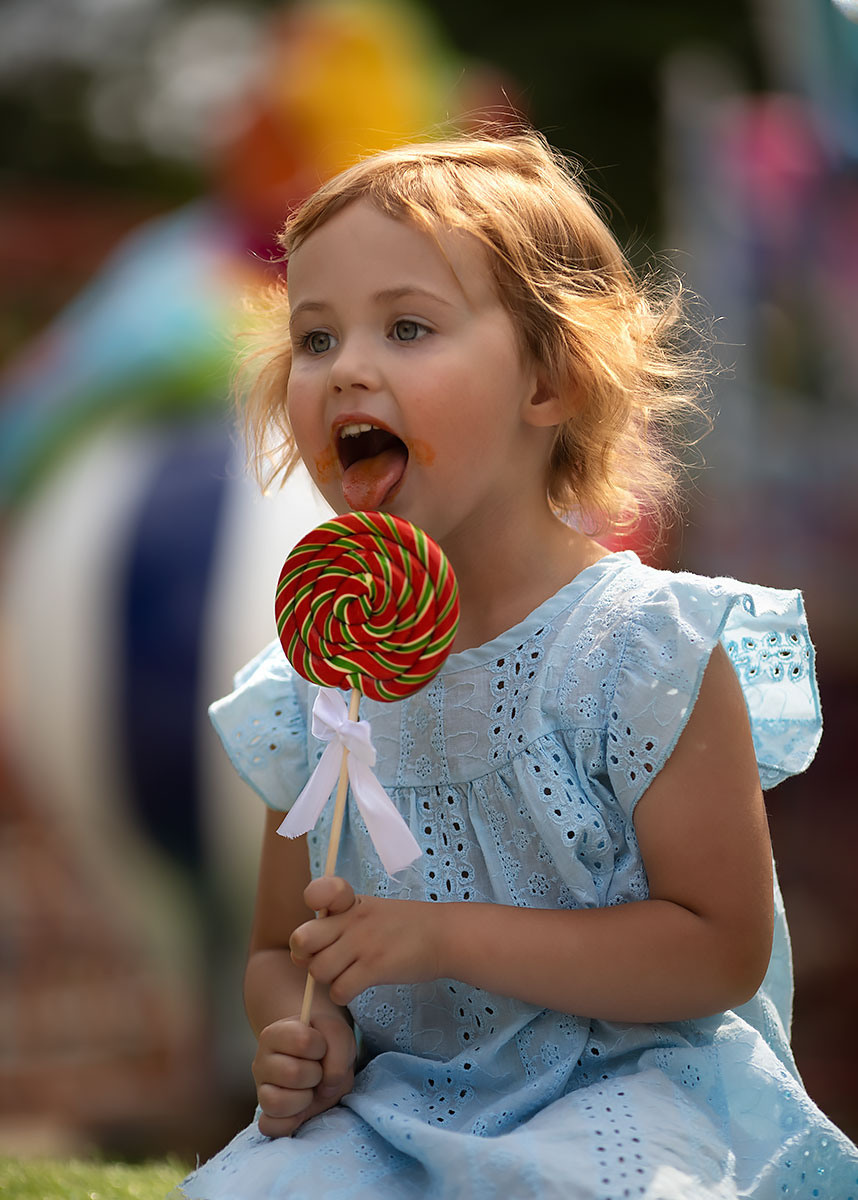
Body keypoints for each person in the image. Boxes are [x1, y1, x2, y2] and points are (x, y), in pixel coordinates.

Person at [173, 131, 858, 1199]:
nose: (347, 365)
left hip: (631, 1089)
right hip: (399, 1100)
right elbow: (281, 947)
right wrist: (299, 1034)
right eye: (314, 339)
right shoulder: (327, 672)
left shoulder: (642, 649)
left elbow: (717, 948)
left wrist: (445, 936)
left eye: (406, 327)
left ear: (552, 377)